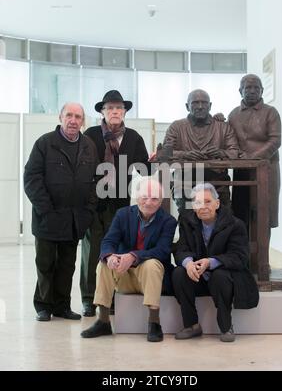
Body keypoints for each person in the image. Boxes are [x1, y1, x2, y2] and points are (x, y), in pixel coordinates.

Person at [24, 103, 98, 322]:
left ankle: (62, 306)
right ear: (60, 117)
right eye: (69, 115)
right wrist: (45, 209)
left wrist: (88, 210)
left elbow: (96, 181)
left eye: (77, 116)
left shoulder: (88, 146)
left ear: (83, 121)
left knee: (67, 264)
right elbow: (31, 178)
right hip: (48, 217)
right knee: (46, 263)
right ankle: (43, 306)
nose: (73, 120)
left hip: (75, 218)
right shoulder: (45, 143)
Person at [80, 178, 177, 342]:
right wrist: (110, 256)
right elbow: (108, 241)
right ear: (137, 197)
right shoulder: (123, 214)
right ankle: (103, 321)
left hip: (150, 280)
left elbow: (163, 251)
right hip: (124, 276)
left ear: (160, 201)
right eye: (144, 197)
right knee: (103, 264)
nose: (148, 203)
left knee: (152, 264)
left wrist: (133, 256)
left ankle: (154, 323)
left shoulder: (168, 221)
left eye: (154, 199)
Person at [80, 90, 150, 317]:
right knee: (93, 252)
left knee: (117, 251)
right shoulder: (90, 134)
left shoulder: (134, 138)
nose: (115, 112)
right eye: (110, 108)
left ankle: (111, 298)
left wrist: (155, 161)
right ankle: (90, 299)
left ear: (125, 112)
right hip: (94, 201)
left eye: (119, 108)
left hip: (120, 204)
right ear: (103, 111)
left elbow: (144, 169)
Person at [172, 183, 259, 342]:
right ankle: (192, 325)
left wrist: (211, 262)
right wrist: (189, 263)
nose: (203, 207)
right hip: (198, 277)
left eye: (207, 201)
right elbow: (181, 249)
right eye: (198, 203)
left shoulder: (235, 224)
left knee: (219, 276)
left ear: (217, 204)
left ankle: (226, 327)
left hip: (223, 277)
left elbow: (239, 256)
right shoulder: (187, 221)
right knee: (179, 273)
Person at [162, 89, 239, 211]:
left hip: (217, 182)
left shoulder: (223, 127)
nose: (200, 106)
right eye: (195, 103)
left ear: (210, 106)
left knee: (222, 221)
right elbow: (164, 153)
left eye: (204, 103)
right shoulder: (176, 127)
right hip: (185, 182)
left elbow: (235, 152)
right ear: (187, 106)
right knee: (188, 223)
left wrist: (220, 153)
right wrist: (185, 155)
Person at [228, 74, 281, 234]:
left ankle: (262, 259)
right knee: (241, 215)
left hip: (266, 170)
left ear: (262, 90)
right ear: (240, 90)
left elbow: (275, 140)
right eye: (248, 87)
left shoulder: (271, 112)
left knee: (263, 215)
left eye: (256, 88)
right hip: (242, 171)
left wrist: (253, 157)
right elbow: (228, 139)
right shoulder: (233, 114)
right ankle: (243, 258)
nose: (252, 91)